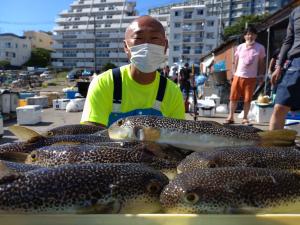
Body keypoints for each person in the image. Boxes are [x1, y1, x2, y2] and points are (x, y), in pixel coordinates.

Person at [81, 16, 185, 127]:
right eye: (139, 39)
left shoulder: (173, 92)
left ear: (165, 46)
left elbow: (176, 137)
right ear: (126, 46)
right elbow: (91, 134)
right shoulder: (104, 83)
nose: (147, 46)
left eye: (154, 38)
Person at [225, 26, 266, 125]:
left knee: (247, 99)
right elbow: (235, 62)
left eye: (252, 34)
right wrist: (233, 74)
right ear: (244, 36)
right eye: (247, 34)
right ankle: (230, 117)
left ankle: (245, 118)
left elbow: (261, 63)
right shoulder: (240, 47)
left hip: (251, 77)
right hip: (238, 76)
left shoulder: (260, 48)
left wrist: (261, 76)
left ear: (255, 35)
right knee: (233, 98)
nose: (249, 36)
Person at [269, 6, 300, 130]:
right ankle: (272, 148)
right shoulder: (295, 12)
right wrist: (279, 66)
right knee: (280, 107)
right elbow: (288, 41)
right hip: (296, 63)